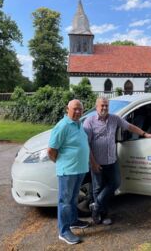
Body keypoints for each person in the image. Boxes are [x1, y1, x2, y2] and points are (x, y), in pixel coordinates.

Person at [83, 97, 151, 225]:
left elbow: (129, 126)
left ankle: (96, 205)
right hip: (97, 162)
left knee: (115, 183)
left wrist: (144, 134)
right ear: (96, 106)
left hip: (112, 160)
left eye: (106, 105)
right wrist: (93, 163)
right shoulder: (89, 122)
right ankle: (101, 215)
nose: (104, 108)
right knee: (98, 188)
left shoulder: (114, 119)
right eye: (102, 106)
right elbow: (86, 144)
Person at [48, 99, 90, 245]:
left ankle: (73, 221)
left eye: (80, 109)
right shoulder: (62, 126)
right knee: (65, 201)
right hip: (68, 171)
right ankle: (64, 231)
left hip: (79, 169)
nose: (78, 111)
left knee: (73, 199)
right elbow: (51, 150)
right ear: (67, 109)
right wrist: (61, 164)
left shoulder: (79, 124)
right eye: (75, 109)